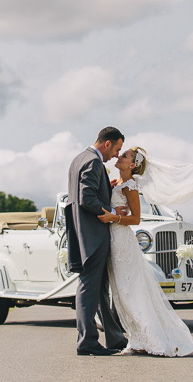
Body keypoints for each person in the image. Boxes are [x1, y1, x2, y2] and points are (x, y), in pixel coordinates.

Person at [97, 147, 193, 357]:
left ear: (133, 165)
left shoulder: (131, 186)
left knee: (131, 292)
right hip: (113, 240)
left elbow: (136, 219)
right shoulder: (115, 184)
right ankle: (138, 338)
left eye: (124, 156)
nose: (119, 157)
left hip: (123, 241)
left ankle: (154, 339)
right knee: (122, 292)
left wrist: (114, 218)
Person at [65, 126, 129, 356]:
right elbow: (85, 198)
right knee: (89, 287)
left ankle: (114, 338)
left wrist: (106, 188)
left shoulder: (79, 159)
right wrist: (112, 209)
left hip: (83, 233)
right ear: (107, 143)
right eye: (117, 149)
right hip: (92, 235)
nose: (116, 155)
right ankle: (87, 342)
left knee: (99, 289)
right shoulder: (93, 162)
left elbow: (86, 193)